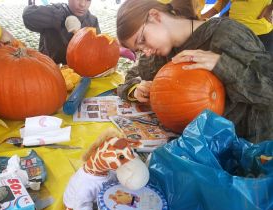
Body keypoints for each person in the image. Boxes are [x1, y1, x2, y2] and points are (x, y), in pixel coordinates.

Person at [116, 0, 273, 143]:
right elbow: (130, 77)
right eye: (140, 50)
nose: (147, 52)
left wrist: (222, 65)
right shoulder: (160, 56)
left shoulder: (226, 35)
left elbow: (268, 88)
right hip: (202, 147)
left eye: (142, 40)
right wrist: (135, 89)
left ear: (155, 16)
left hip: (250, 145)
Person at [22, 0, 100, 64]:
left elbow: (98, 49)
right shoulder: (56, 12)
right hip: (49, 68)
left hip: (79, 73)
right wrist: (57, 18)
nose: (82, 4)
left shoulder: (92, 21)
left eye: (88, 0)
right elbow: (27, 15)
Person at [201, 0, 273, 53]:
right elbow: (222, 2)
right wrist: (201, 17)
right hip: (234, 31)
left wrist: (270, 8)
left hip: (260, 33)